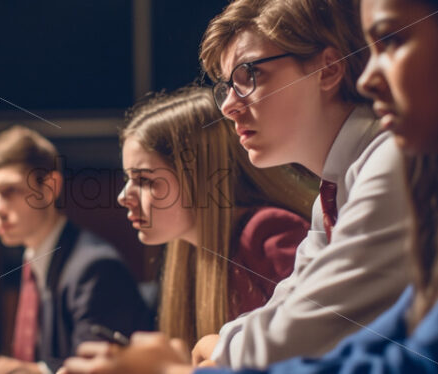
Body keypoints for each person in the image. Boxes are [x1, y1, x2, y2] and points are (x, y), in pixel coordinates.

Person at [63, 0, 438, 372]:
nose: (230, 106)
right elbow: (291, 313)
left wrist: (201, 358)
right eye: (226, 86)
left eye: (249, 76)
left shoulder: (391, 163)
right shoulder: (333, 191)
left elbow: (305, 333)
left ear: (328, 70)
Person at [116, 86, 314, 349]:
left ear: (199, 177)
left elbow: (310, 349)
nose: (123, 196)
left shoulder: (268, 233)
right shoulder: (189, 253)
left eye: (144, 180)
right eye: (128, 179)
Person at [0, 126, 152, 374]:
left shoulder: (94, 267)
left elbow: (95, 370)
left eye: (9, 190)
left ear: (50, 187)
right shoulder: (33, 259)